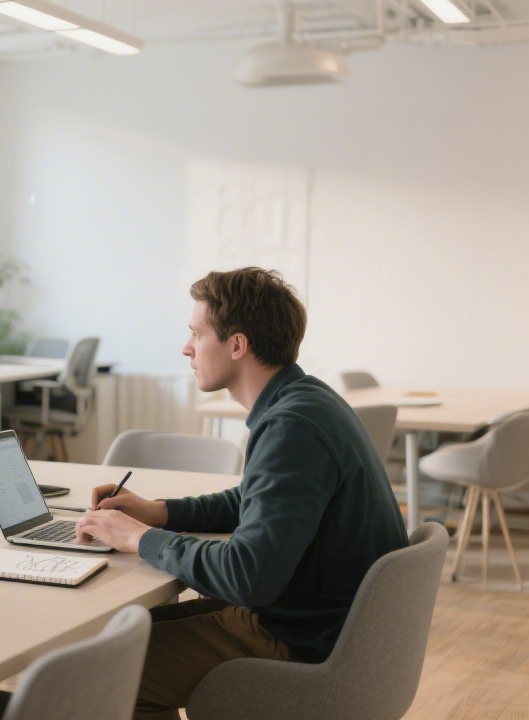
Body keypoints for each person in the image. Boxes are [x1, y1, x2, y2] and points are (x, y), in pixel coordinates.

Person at [75, 267, 408, 719]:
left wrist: (137, 538)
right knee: (116, 635)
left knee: (95, 672)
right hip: (322, 624)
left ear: (237, 344)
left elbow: (248, 575)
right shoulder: (305, 400)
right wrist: (157, 513)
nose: (186, 347)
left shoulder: (291, 425)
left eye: (197, 333)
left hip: (299, 643)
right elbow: (253, 499)